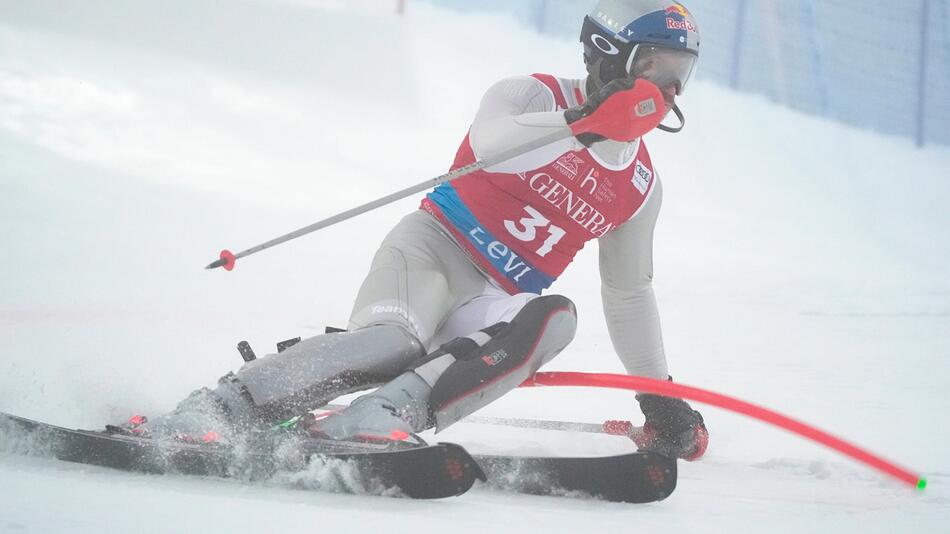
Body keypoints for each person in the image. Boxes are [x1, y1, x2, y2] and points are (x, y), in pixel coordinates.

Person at [127, 0, 708, 462]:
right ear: (608, 53)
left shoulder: (639, 183)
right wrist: (582, 122)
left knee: (556, 318)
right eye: (655, 66)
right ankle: (218, 407)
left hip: (494, 302)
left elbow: (629, 293)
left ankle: (380, 418)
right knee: (392, 344)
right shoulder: (532, 95)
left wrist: (661, 397)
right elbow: (492, 148)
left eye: (681, 74)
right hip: (431, 254)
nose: (669, 89)